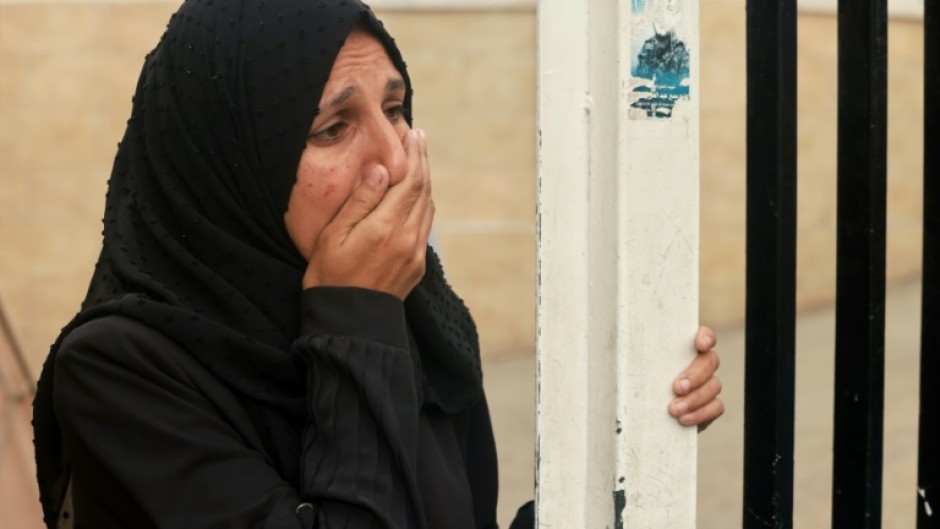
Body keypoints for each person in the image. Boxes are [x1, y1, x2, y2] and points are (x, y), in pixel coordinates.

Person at [31, 1, 724, 528]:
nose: (394, 160)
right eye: (332, 129)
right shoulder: (119, 374)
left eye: (394, 108)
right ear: (231, 169)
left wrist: (631, 431)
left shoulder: (415, 313)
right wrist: (354, 320)